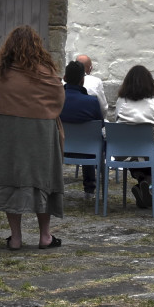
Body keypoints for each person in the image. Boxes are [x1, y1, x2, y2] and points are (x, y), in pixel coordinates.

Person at [0, 25, 65, 251]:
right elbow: (58, 99)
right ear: (37, 46)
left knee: (11, 178)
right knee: (42, 179)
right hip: (39, 131)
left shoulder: (1, 71)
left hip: (7, 131)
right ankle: (45, 236)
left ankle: (16, 238)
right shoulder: (46, 71)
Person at [114, 65, 154, 210]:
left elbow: (117, 124)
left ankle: (141, 180)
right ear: (150, 84)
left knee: (138, 154)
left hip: (126, 153)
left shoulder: (121, 103)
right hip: (152, 152)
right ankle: (146, 183)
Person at [60, 60, 103, 203]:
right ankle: (90, 188)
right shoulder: (91, 102)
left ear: (65, 78)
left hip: (60, 148)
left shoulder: (56, 99)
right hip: (87, 151)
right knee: (91, 140)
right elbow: (100, 124)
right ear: (82, 80)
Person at [76, 54, 108, 119]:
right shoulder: (96, 81)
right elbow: (103, 108)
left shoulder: (63, 82)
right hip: (91, 122)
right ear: (90, 68)